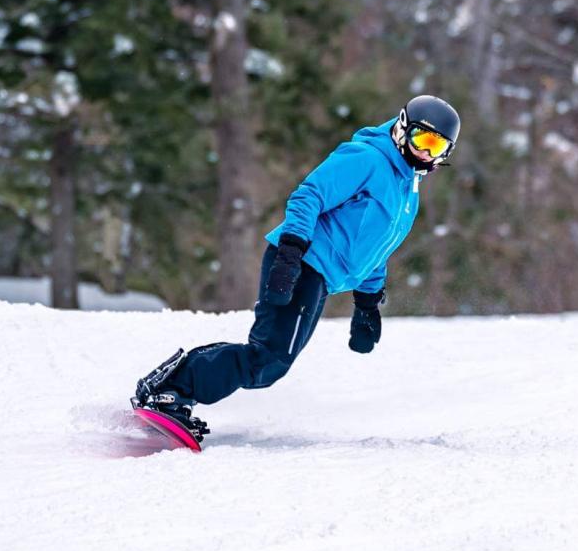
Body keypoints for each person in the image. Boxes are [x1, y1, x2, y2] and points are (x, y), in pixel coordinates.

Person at [132, 94, 461, 442]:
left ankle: (173, 388)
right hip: (301, 261)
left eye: (437, 146)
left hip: (318, 275)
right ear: (401, 129)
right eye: (421, 138)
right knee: (269, 359)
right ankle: (171, 391)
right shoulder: (367, 159)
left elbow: (375, 251)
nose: (426, 151)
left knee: (269, 359)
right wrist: (290, 252)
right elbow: (310, 195)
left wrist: (368, 304)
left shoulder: (407, 191)